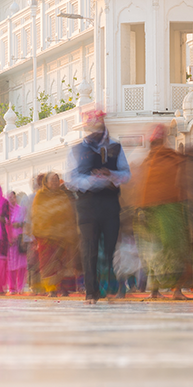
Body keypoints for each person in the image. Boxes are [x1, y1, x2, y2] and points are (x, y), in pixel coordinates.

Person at [65, 108, 131, 305]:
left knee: (110, 246)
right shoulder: (76, 149)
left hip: (110, 203)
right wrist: (92, 180)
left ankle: (108, 286)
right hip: (87, 204)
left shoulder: (115, 147)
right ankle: (91, 292)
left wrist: (111, 176)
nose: (94, 133)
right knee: (89, 247)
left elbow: (126, 174)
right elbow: (70, 179)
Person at [137, 124, 192, 300]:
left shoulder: (149, 162)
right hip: (170, 213)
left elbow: (140, 190)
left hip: (158, 213)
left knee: (155, 252)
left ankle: (157, 290)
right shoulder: (171, 158)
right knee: (174, 250)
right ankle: (174, 290)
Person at [32, 172, 81, 297]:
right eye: (52, 180)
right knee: (48, 263)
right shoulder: (40, 196)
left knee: (62, 263)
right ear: (46, 183)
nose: (54, 182)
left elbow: (68, 215)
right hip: (46, 236)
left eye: (56, 180)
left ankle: (63, 288)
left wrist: (69, 230)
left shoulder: (63, 196)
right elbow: (37, 215)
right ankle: (51, 289)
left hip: (62, 236)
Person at [23, 174, 45, 295]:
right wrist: (28, 232)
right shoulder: (31, 197)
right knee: (33, 261)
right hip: (33, 233)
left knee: (43, 260)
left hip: (45, 232)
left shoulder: (47, 196)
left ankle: (42, 286)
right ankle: (33, 286)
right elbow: (27, 216)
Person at [6, 191, 28, 295]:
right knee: (11, 266)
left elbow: (25, 222)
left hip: (19, 240)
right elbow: (4, 225)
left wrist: (19, 225)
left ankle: (20, 287)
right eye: (10, 198)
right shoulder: (6, 212)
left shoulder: (21, 210)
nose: (12, 200)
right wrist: (9, 237)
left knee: (21, 265)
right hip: (10, 242)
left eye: (14, 197)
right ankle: (12, 288)